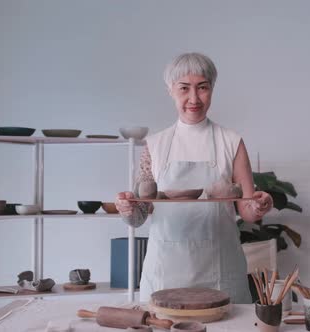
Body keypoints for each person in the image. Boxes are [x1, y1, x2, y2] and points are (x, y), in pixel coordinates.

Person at [115, 52, 273, 304]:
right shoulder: (154, 145)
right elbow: (140, 215)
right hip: (166, 272)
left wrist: (260, 204)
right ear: (170, 90)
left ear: (212, 89)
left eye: (202, 88)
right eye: (184, 88)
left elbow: (247, 209)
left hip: (221, 270)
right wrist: (126, 207)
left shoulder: (231, 142)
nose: (193, 98)